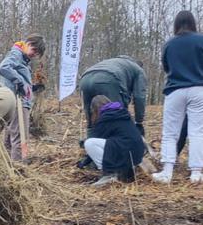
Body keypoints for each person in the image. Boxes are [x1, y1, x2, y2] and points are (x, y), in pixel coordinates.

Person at [153, 10, 203, 185]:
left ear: (176, 24)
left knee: (170, 133)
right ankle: (196, 173)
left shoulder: (169, 44)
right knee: (197, 131)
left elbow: (166, 67)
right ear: (193, 23)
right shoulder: (201, 40)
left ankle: (167, 172)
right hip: (198, 89)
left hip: (175, 90)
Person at [0, 35, 46, 162]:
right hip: (18, 103)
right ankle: (19, 172)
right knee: (20, 138)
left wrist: (32, 87)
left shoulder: (22, 58)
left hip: (15, 101)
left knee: (9, 139)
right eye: (33, 50)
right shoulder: (17, 55)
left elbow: (17, 78)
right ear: (27, 43)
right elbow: (3, 68)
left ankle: (8, 169)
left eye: (37, 53)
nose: (34, 54)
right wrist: (21, 82)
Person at [82, 95, 145, 186]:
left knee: (89, 143)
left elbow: (98, 142)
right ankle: (124, 171)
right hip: (137, 155)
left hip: (126, 151)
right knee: (113, 144)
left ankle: (109, 174)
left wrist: (84, 163)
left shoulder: (105, 118)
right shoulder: (123, 112)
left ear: (94, 110)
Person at [79, 57, 147, 137]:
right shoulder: (138, 70)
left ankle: (91, 141)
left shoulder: (115, 62)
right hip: (109, 79)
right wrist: (139, 122)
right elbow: (139, 97)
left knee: (91, 116)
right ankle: (119, 144)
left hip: (85, 79)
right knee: (117, 117)